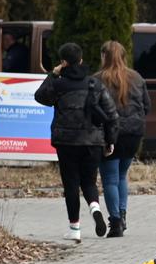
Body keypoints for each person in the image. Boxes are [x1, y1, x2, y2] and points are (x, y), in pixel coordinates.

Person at [34, 42, 118, 242]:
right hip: (93, 142)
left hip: (66, 143)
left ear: (63, 62)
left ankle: (75, 228)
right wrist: (110, 141)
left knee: (71, 184)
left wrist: (53, 74)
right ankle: (95, 208)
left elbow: (40, 97)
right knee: (89, 182)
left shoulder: (58, 84)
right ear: (80, 60)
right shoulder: (94, 84)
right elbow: (112, 115)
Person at [95, 41, 151, 237]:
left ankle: (116, 221)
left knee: (109, 178)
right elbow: (147, 106)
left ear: (104, 56)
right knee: (121, 176)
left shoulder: (97, 80)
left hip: (109, 134)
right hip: (133, 134)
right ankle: (123, 215)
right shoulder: (136, 78)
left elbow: (94, 108)